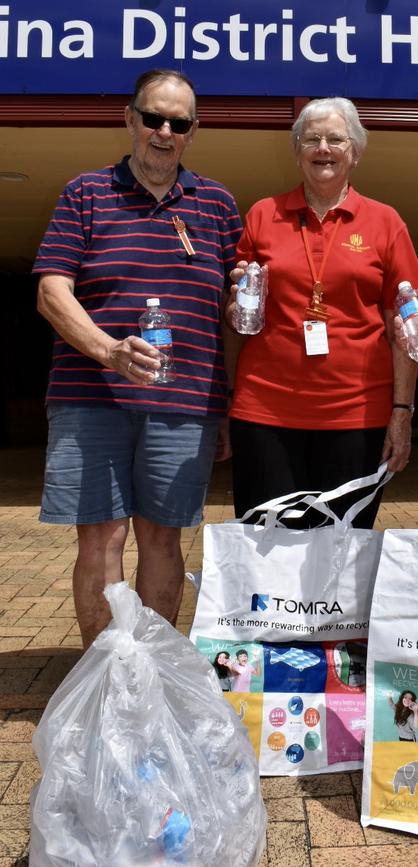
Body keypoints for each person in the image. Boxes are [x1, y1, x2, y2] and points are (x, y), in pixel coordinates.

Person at [33, 69, 242, 648]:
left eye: (178, 123)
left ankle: (150, 674)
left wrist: (223, 405)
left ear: (193, 132)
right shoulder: (86, 193)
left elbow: (230, 315)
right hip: (89, 400)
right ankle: (106, 677)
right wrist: (109, 351)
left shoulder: (219, 204)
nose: (164, 131)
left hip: (185, 403)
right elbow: (52, 291)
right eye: (153, 118)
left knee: (163, 539)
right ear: (130, 119)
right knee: (100, 539)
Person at [226, 97, 418, 528]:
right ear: (297, 151)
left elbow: (404, 327)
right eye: (312, 138)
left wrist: (402, 411)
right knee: (267, 543)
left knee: (342, 548)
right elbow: (237, 319)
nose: (324, 148)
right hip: (265, 413)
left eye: (336, 139)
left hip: (357, 414)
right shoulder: (263, 214)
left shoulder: (386, 222)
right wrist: (238, 298)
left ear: (355, 152)